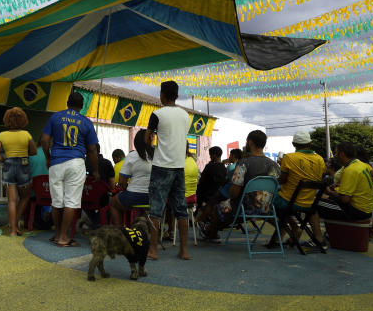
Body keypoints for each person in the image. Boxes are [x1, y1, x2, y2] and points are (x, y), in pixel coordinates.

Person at [41, 91, 99, 247]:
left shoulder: (55, 117)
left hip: (56, 162)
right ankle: (63, 237)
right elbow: (92, 150)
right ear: (82, 106)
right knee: (71, 202)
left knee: (57, 201)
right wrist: (95, 171)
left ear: (67, 103)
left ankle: (57, 234)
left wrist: (48, 157)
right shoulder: (86, 122)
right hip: (76, 163)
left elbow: (44, 140)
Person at [199, 130, 280, 242]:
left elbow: (234, 193)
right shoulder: (274, 165)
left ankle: (211, 233)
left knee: (220, 207)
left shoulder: (243, 163)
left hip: (244, 208)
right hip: (265, 208)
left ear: (250, 143)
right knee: (232, 208)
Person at [145, 80, 192, 261]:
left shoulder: (157, 114)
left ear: (162, 95)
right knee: (181, 209)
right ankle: (184, 251)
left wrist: (151, 148)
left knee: (155, 210)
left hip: (161, 167)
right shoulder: (185, 115)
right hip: (179, 166)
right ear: (177, 96)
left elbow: (148, 137)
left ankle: (153, 250)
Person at [267, 130, 325, 247]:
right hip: (309, 201)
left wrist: (280, 167)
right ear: (310, 143)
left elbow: (282, 180)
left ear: (294, 144)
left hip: (289, 201)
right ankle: (318, 238)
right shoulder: (320, 159)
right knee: (309, 210)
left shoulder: (289, 158)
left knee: (267, 202)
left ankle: (292, 228)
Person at [0, 107, 38, 237]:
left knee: (11, 200)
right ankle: (16, 223)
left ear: (7, 120)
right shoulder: (26, 134)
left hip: (9, 164)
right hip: (23, 164)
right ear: (23, 120)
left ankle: (13, 230)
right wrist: (23, 154)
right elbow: (34, 151)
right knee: (25, 197)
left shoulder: (2, 135)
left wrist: (4, 159)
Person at [317, 142, 373, 223]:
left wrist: (329, 192)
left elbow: (344, 199)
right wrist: (338, 187)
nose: (335, 155)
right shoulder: (360, 164)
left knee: (314, 202)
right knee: (324, 198)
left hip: (356, 211)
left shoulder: (350, 170)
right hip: (366, 210)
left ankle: (318, 234)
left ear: (342, 154)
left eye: (336, 153)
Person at [108, 129, 153, 225]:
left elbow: (122, 181)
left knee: (113, 203)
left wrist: (125, 189)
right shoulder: (157, 155)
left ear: (136, 142)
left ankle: (121, 232)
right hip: (153, 198)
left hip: (134, 196)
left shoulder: (132, 155)